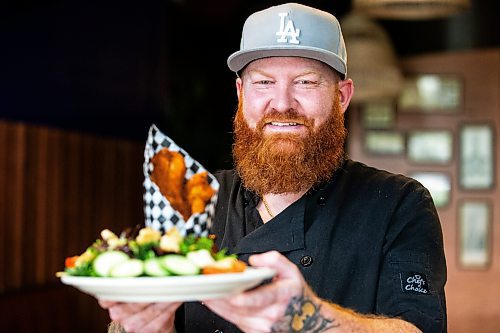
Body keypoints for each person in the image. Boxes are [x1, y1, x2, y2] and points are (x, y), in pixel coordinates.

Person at [99, 3, 447, 332]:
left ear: (341, 97)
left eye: (305, 82)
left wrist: (307, 319)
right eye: (264, 82)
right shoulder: (194, 196)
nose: (281, 104)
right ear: (240, 93)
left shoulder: (399, 203)